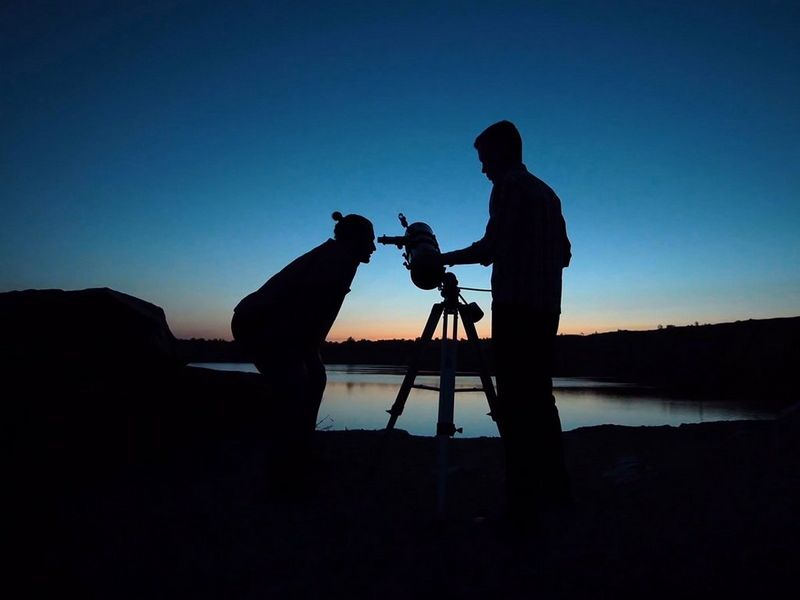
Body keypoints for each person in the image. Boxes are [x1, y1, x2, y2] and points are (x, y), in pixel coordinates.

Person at [437, 120, 572, 528]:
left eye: (484, 160)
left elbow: (490, 248)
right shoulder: (547, 193)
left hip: (517, 309)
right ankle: (555, 491)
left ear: (501, 153)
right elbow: (565, 254)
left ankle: (521, 507)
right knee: (540, 399)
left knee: (514, 407)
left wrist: (443, 259)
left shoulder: (509, 188)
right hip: (548, 308)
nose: (483, 170)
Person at [231, 211, 376, 493]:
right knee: (292, 387)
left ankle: (299, 455)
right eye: (369, 241)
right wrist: (303, 352)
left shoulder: (341, 259)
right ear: (353, 239)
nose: (373, 247)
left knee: (314, 379)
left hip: (280, 325)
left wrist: (309, 352)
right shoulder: (333, 262)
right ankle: (281, 471)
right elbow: (304, 315)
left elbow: (316, 318)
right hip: (259, 323)